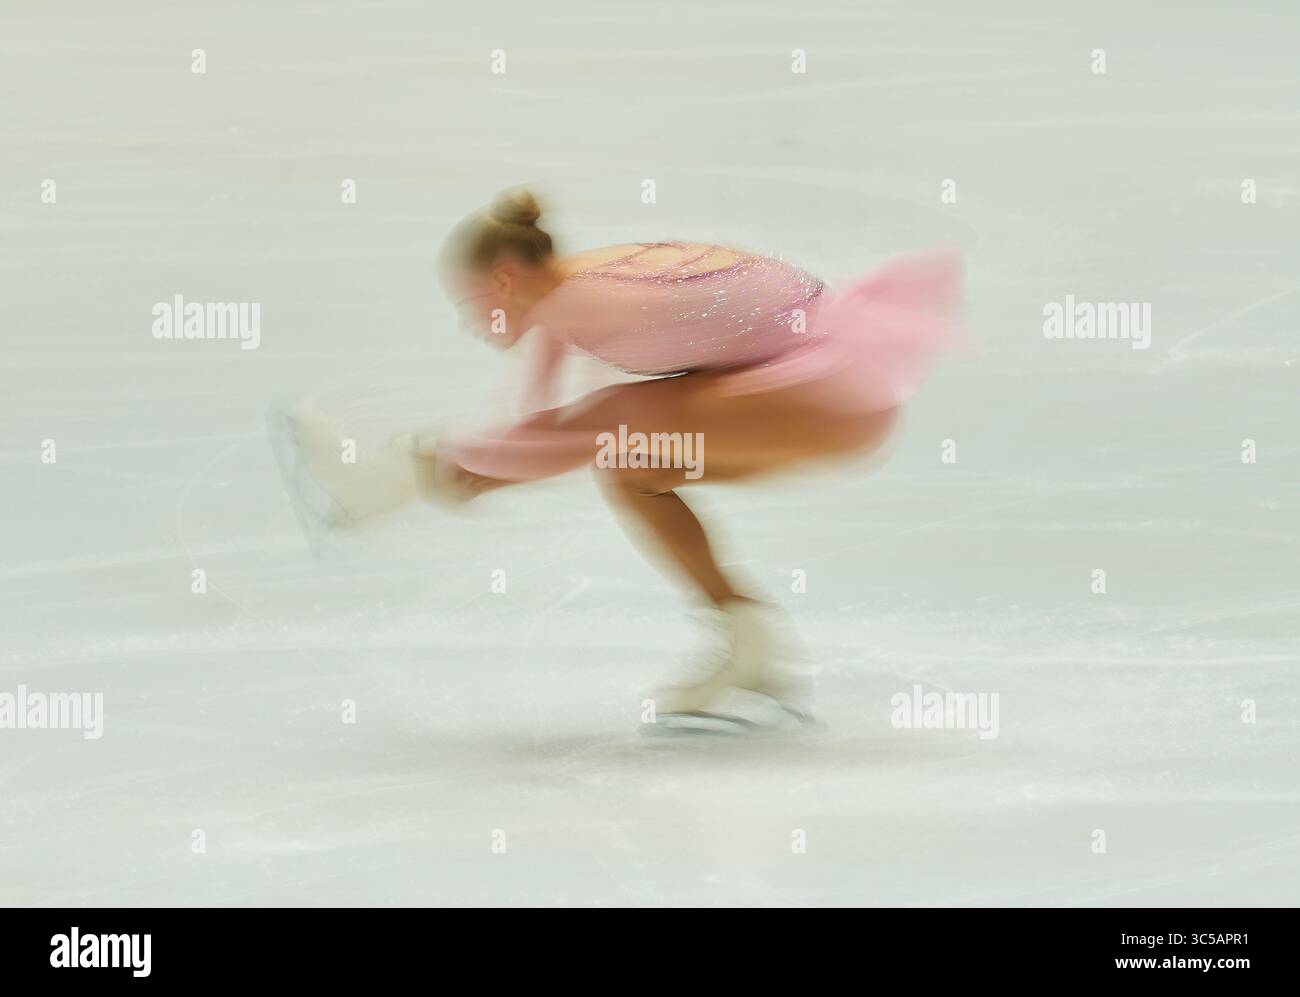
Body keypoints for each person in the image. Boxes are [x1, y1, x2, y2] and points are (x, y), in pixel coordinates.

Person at [274, 187, 964, 722]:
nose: (468, 320)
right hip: (820, 393)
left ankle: (393, 477)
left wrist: (439, 471)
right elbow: (544, 430)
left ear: (508, 279)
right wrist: (473, 473)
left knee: (620, 429)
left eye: (472, 302)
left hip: (829, 390)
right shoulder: (562, 297)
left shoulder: (592, 300)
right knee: (634, 466)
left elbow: (579, 434)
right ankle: (748, 637)